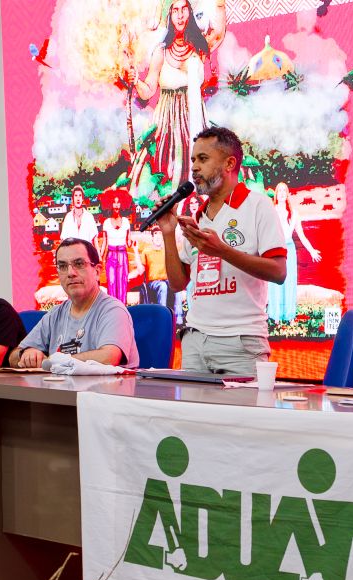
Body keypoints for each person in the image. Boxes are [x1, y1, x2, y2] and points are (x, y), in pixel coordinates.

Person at [159, 126, 287, 376]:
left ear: (229, 164)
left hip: (240, 342)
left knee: (242, 405)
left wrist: (223, 251)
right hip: (195, 341)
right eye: (193, 160)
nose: (194, 167)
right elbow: (177, 283)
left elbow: (279, 272)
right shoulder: (198, 217)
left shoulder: (258, 206)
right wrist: (168, 232)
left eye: (203, 159)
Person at [128, 0, 226, 190]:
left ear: (190, 12)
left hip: (194, 121)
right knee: (163, 175)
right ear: (170, 16)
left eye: (184, 10)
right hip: (166, 125)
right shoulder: (161, 52)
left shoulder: (200, 47)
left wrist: (221, 4)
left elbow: (218, 33)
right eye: (175, 11)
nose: (180, 15)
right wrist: (136, 81)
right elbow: (148, 91)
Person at [8, 239, 138, 369]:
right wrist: (25, 353)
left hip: (103, 383)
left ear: (97, 271)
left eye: (79, 264)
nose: (70, 273)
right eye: (63, 266)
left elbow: (109, 357)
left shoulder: (113, 310)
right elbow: (12, 357)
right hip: (60, 382)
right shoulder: (55, 314)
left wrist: (51, 361)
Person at [265, 182, 321, 325]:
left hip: (289, 248)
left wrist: (312, 250)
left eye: (284, 190)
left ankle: (289, 316)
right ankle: (276, 316)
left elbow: (301, 235)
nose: (282, 193)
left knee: (289, 281)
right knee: (275, 281)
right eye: (280, 190)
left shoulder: (294, 213)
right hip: (275, 249)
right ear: (276, 194)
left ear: (287, 194)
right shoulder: (271, 211)